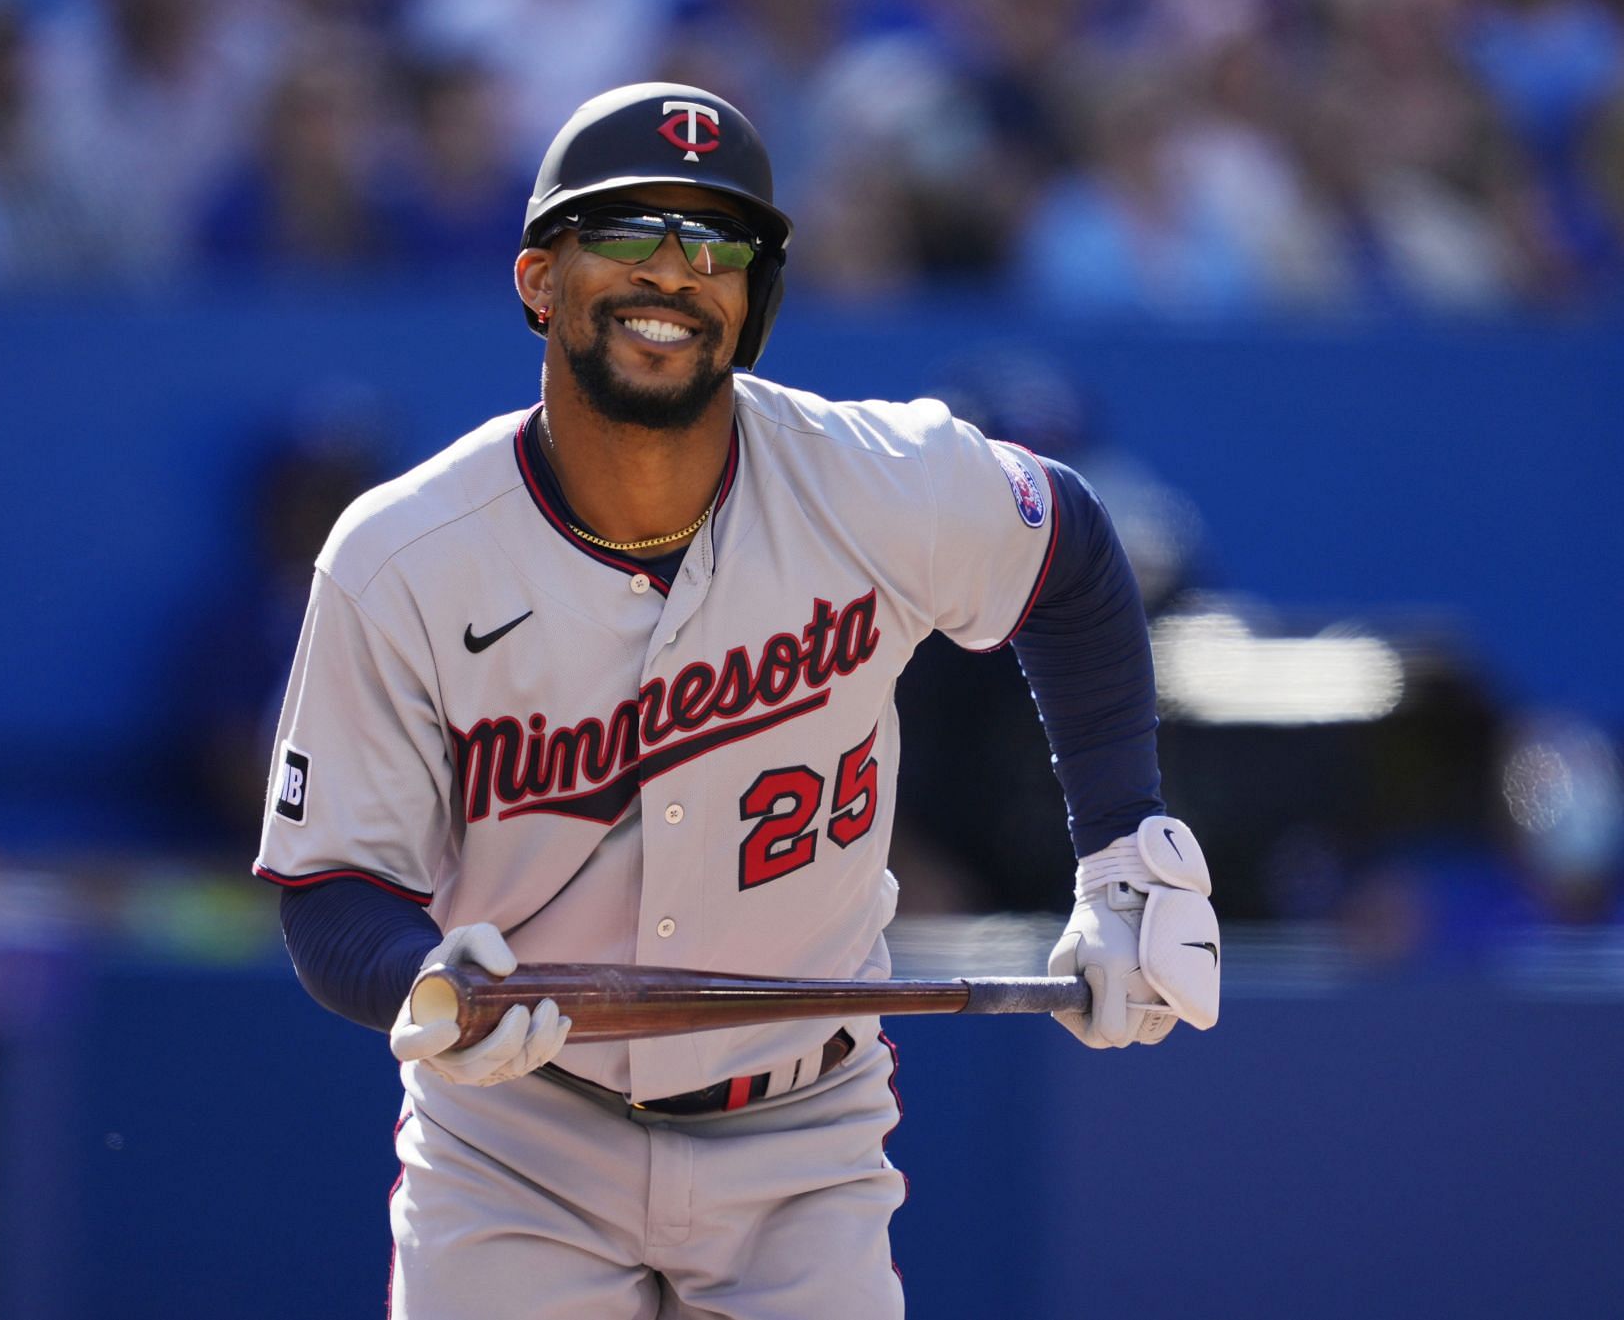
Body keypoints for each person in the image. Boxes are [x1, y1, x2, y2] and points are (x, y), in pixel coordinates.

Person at [255, 82, 1221, 1318]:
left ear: (754, 299)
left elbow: (1071, 550)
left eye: (714, 243)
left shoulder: (877, 483)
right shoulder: (403, 554)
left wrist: (1124, 851)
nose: (671, 271)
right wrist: (424, 979)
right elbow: (331, 888)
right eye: (626, 232)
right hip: (514, 1142)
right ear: (541, 280)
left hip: (803, 1136)